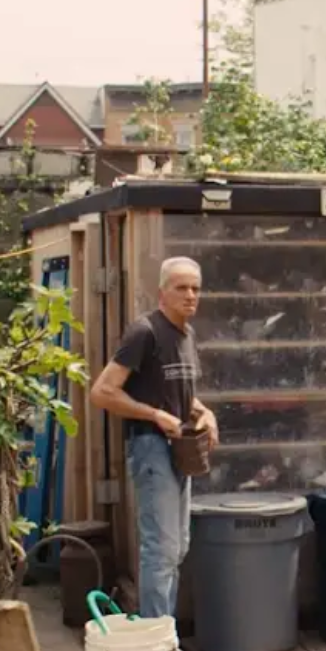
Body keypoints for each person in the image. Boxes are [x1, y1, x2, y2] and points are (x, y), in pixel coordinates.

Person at [90, 257, 218, 619]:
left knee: (177, 548)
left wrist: (203, 413)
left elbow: (176, 393)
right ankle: (158, 644)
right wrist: (154, 415)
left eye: (195, 288)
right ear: (162, 292)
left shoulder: (187, 335)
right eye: (181, 287)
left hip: (179, 450)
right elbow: (102, 392)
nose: (190, 295)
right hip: (150, 448)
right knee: (160, 550)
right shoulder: (144, 332)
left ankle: (163, 636)